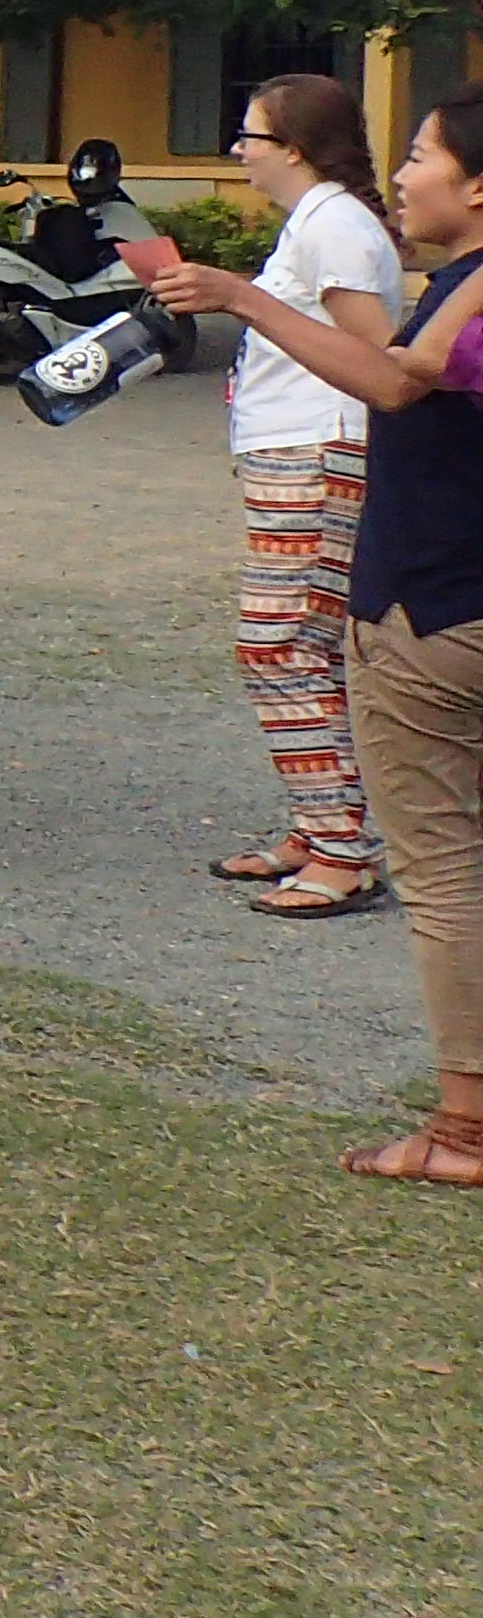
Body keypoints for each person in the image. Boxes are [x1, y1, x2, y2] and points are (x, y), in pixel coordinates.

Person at [155, 86, 483, 1188]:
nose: (404, 174)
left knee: (444, 869)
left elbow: (395, 374)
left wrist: (240, 298)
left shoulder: (401, 258)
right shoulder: (442, 276)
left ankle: (465, 1128)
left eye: (424, 155)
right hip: (433, 583)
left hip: (435, 596)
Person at [207, 72, 405, 920]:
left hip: (319, 450)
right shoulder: (320, 222)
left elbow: (379, 355)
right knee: (305, 648)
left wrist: (241, 300)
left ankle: (342, 848)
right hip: (295, 449)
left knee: (279, 643)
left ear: (290, 147)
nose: (238, 151)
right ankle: (322, 823)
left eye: (249, 136)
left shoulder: (336, 226)